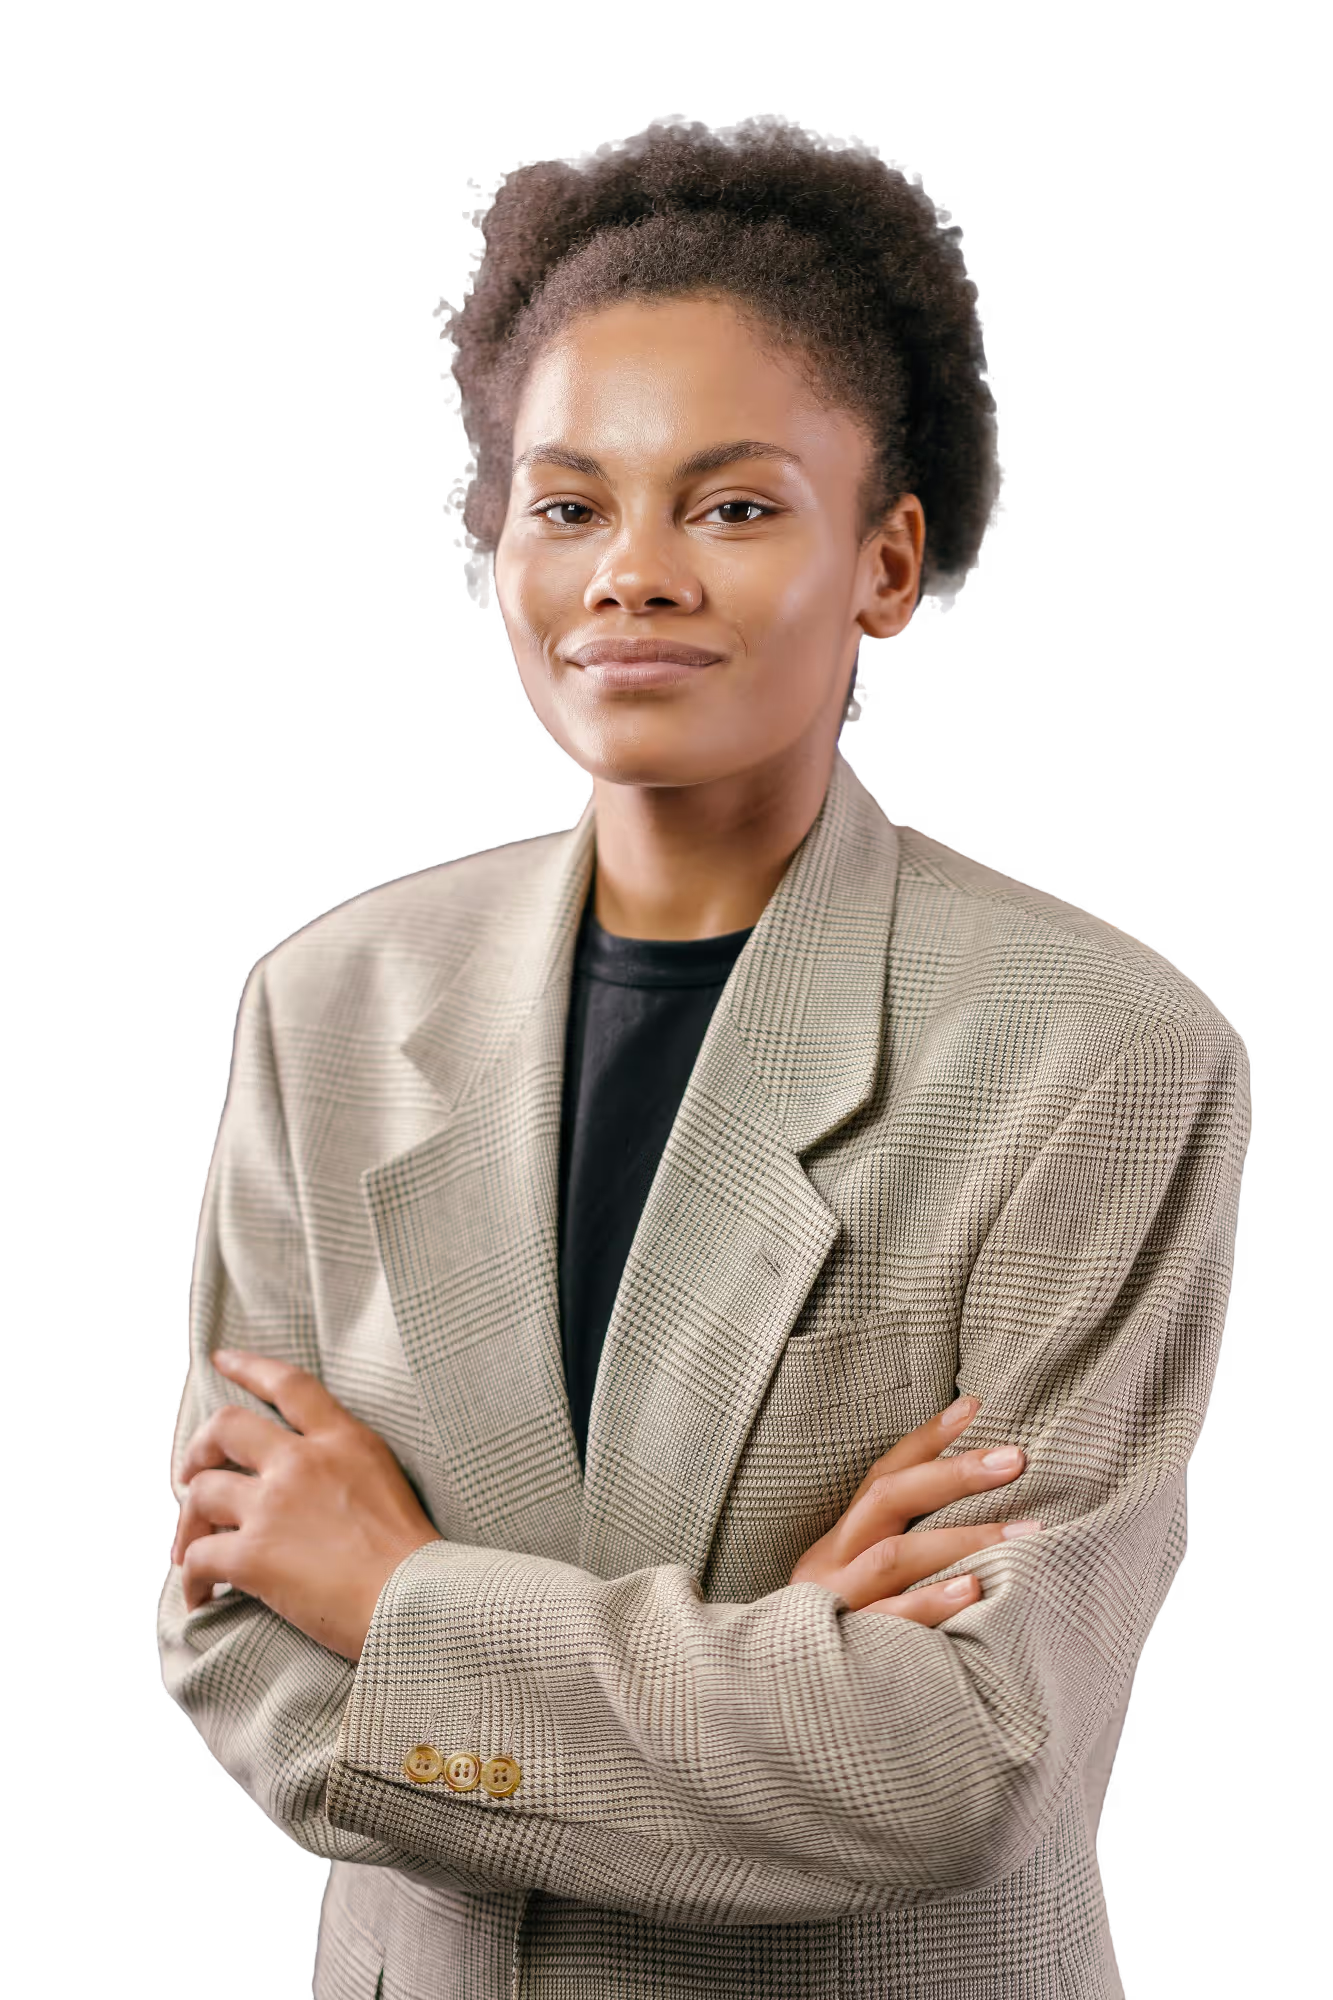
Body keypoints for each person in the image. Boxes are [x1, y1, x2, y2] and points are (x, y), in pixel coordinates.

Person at [159, 114, 1250, 1999]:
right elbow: (237, 1648)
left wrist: (400, 1600)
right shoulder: (321, 1001)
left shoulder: (1103, 1053)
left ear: (887, 562)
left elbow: (963, 1760)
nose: (634, 575)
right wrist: (776, 1676)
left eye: (733, 508)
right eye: (569, 505)